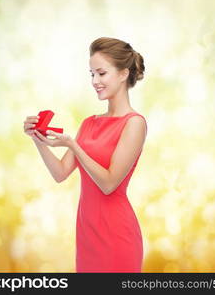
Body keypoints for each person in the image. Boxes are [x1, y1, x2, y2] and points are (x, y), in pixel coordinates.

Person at [23, 37, 147, 272]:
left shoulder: (134, 124)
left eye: (101, 73)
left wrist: (74, 146)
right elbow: (60, 173)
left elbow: (109, 183)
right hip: (87, 234)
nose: (95, 81)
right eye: (91, 74)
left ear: (123, 74)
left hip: (117, 236)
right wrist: (38, 140)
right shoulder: (89, 123)